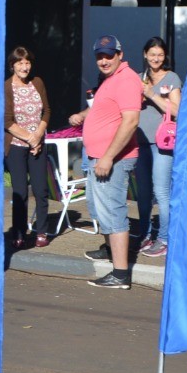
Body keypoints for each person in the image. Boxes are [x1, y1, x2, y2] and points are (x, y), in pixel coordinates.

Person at [69, 35, 143, 289]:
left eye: (109, 55)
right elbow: (103, 108)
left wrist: (109, 157)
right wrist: (82, 115)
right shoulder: (110, 80)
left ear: (120, 55)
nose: (103, 60)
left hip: (111, 159)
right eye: (100, 56)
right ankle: (110, 249)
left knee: (113, 211)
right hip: (97, 156)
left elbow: (131, 120)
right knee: (98, 207)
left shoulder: (127, 80)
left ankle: (120, 274)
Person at [134, 37, 182, 259]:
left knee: (161, 192)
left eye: (160, 55)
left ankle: (164, 238)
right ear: (145, 54)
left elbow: (176, 111)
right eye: (152, 54)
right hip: (140, 141)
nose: (156, 58)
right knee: (143, 194)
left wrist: (151, 94)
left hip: (162, 142)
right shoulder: (138, 78)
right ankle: (145, 234)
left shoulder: (171, 78)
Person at [5, 46, 52, 249]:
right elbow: (6, 121)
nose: (24, 67)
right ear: (12, 65)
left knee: (41, 189)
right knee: (20, 191)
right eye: (20, 63)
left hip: (38, 144)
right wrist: (29, 139)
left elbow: (47, 111)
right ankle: (19, 231)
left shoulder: (38, 82)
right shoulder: (6, 87)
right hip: (16, 145)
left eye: (27, 63)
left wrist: (38, 136)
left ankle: (41, 230)